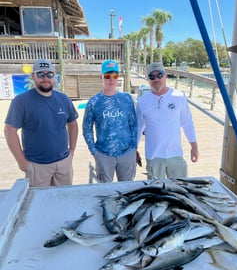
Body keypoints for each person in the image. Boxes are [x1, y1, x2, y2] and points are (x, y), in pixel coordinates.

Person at [4, 59, 78, 187]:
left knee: (63, 200)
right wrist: (22, 162)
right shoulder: (21, 101)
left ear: (54, 76)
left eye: (49, 74)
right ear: (33, 76)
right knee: (38, 204)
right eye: (41, 74)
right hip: (37, 167)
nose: (45, 78)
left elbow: (72, 123)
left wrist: (71, 151)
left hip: (63, 164)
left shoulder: (63, 99)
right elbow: (9, 130)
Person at [136, 62, 200, 180]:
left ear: (165, 76)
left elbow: (187, 123)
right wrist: (134, 149)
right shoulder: (142, 101)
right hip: (153, 156)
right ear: (148, 80)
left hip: (175, 154)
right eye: (152, 76)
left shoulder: (179, 96)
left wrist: (194, 147)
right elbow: (139, 128)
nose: (156, 79)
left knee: (180, 191)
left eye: (159, 75)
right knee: (156, 193)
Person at [83, 59, 137, 183]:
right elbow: (87, 129)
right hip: (103, 154)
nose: (111, 79)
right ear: (100, 77)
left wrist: (133, 147)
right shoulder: (93, 102)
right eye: (107, 76)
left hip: (127, 153)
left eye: (115, 75)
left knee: (127, 190)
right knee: (106, 191)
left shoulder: (127, 98)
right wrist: (94, 151)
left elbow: (133, 124)